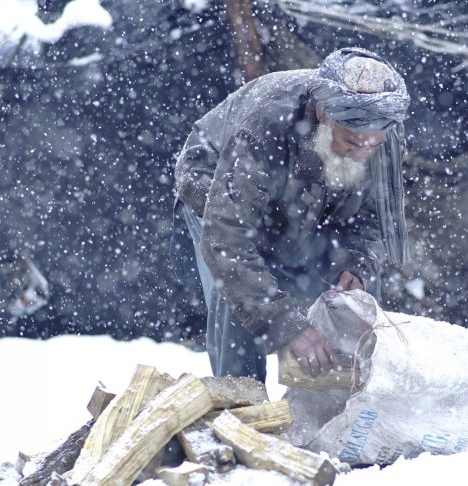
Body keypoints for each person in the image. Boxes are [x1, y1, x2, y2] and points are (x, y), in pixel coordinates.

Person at [172, 47, 410, 382]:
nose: (362, 153)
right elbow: (228, 243)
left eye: (371, 145)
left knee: (357, 292)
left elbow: (374, 217)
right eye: (351, 142)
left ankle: (342, 405)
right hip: (217, 183)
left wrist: (358, 263)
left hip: (307, 199)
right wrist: (286, 326)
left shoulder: (383, 128)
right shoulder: (268, 124)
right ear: (325, 113)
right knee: (238, 292)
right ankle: (241, 408)